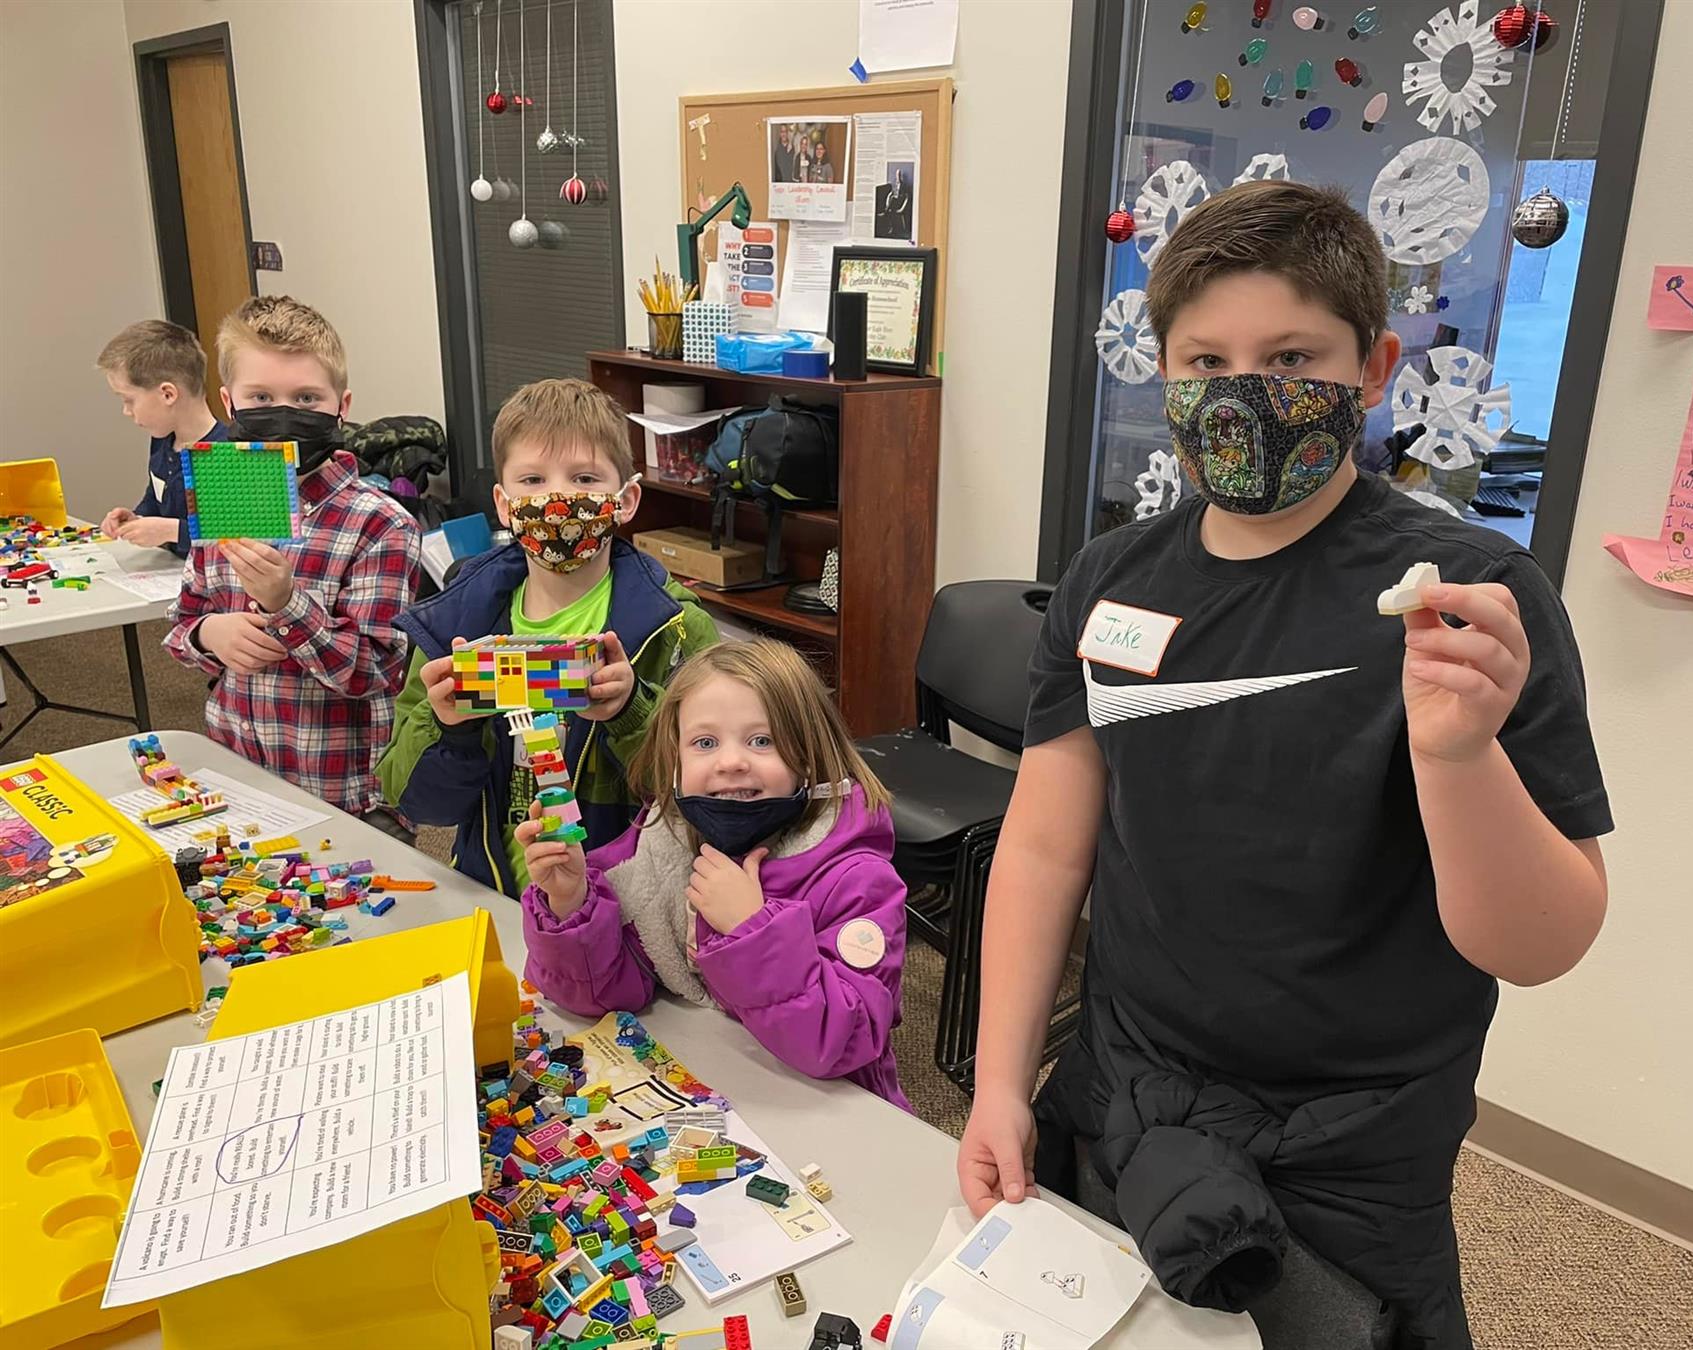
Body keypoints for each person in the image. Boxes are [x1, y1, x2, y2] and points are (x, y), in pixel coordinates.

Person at [955, 181, 1611, 1350]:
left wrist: (1458, 757)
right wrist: (1002, 1077)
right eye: (1204, 358)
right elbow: (1049, 846)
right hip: (1122, 1097)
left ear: (1373, 368)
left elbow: (1545, 943)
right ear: (1160, 371)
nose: (1241, 390)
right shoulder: (1109, 582)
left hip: (1349, 1152)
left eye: (1291, 353)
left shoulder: (1473, 605)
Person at [518, 640, 910, 1108]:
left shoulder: (856, 879)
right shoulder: (663, 839)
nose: (731, 762)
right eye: (705, 743)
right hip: (719, 1095)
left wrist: (751, 929)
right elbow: (603, 991)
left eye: (762, 740)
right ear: (676, 759)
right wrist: (571, 903)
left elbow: (845, 1042)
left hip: (829, 1114)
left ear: (808, 754)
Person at [378, 378, 717, 897]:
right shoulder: (454, 626)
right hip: (496, 892)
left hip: (626, 908)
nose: (557, 499)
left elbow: (711, 799)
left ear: (625, 501)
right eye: (532, 480)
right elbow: (420, 806)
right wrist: (450, 729)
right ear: (505, 504)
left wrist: (631, 712)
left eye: (584, 478)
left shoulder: (673, 629)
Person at [164, 295, 420, 836]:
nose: (285, 412)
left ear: (341, 405)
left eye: (306, 397)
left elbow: (375, 671)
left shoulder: (380, 525)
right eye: (261, 396)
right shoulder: (225, 494)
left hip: (344, 797)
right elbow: (183, 623)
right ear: (230, 403)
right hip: (236, 776)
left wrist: (286, 605)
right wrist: (211, 633)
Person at [95, 319, 229, 557]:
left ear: (168, 394)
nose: (126, 411)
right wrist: (136, 518)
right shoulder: (162, 442)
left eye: (129, 400)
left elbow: (236, 540)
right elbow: (156, 500)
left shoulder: (228, 451)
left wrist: (174, 532)